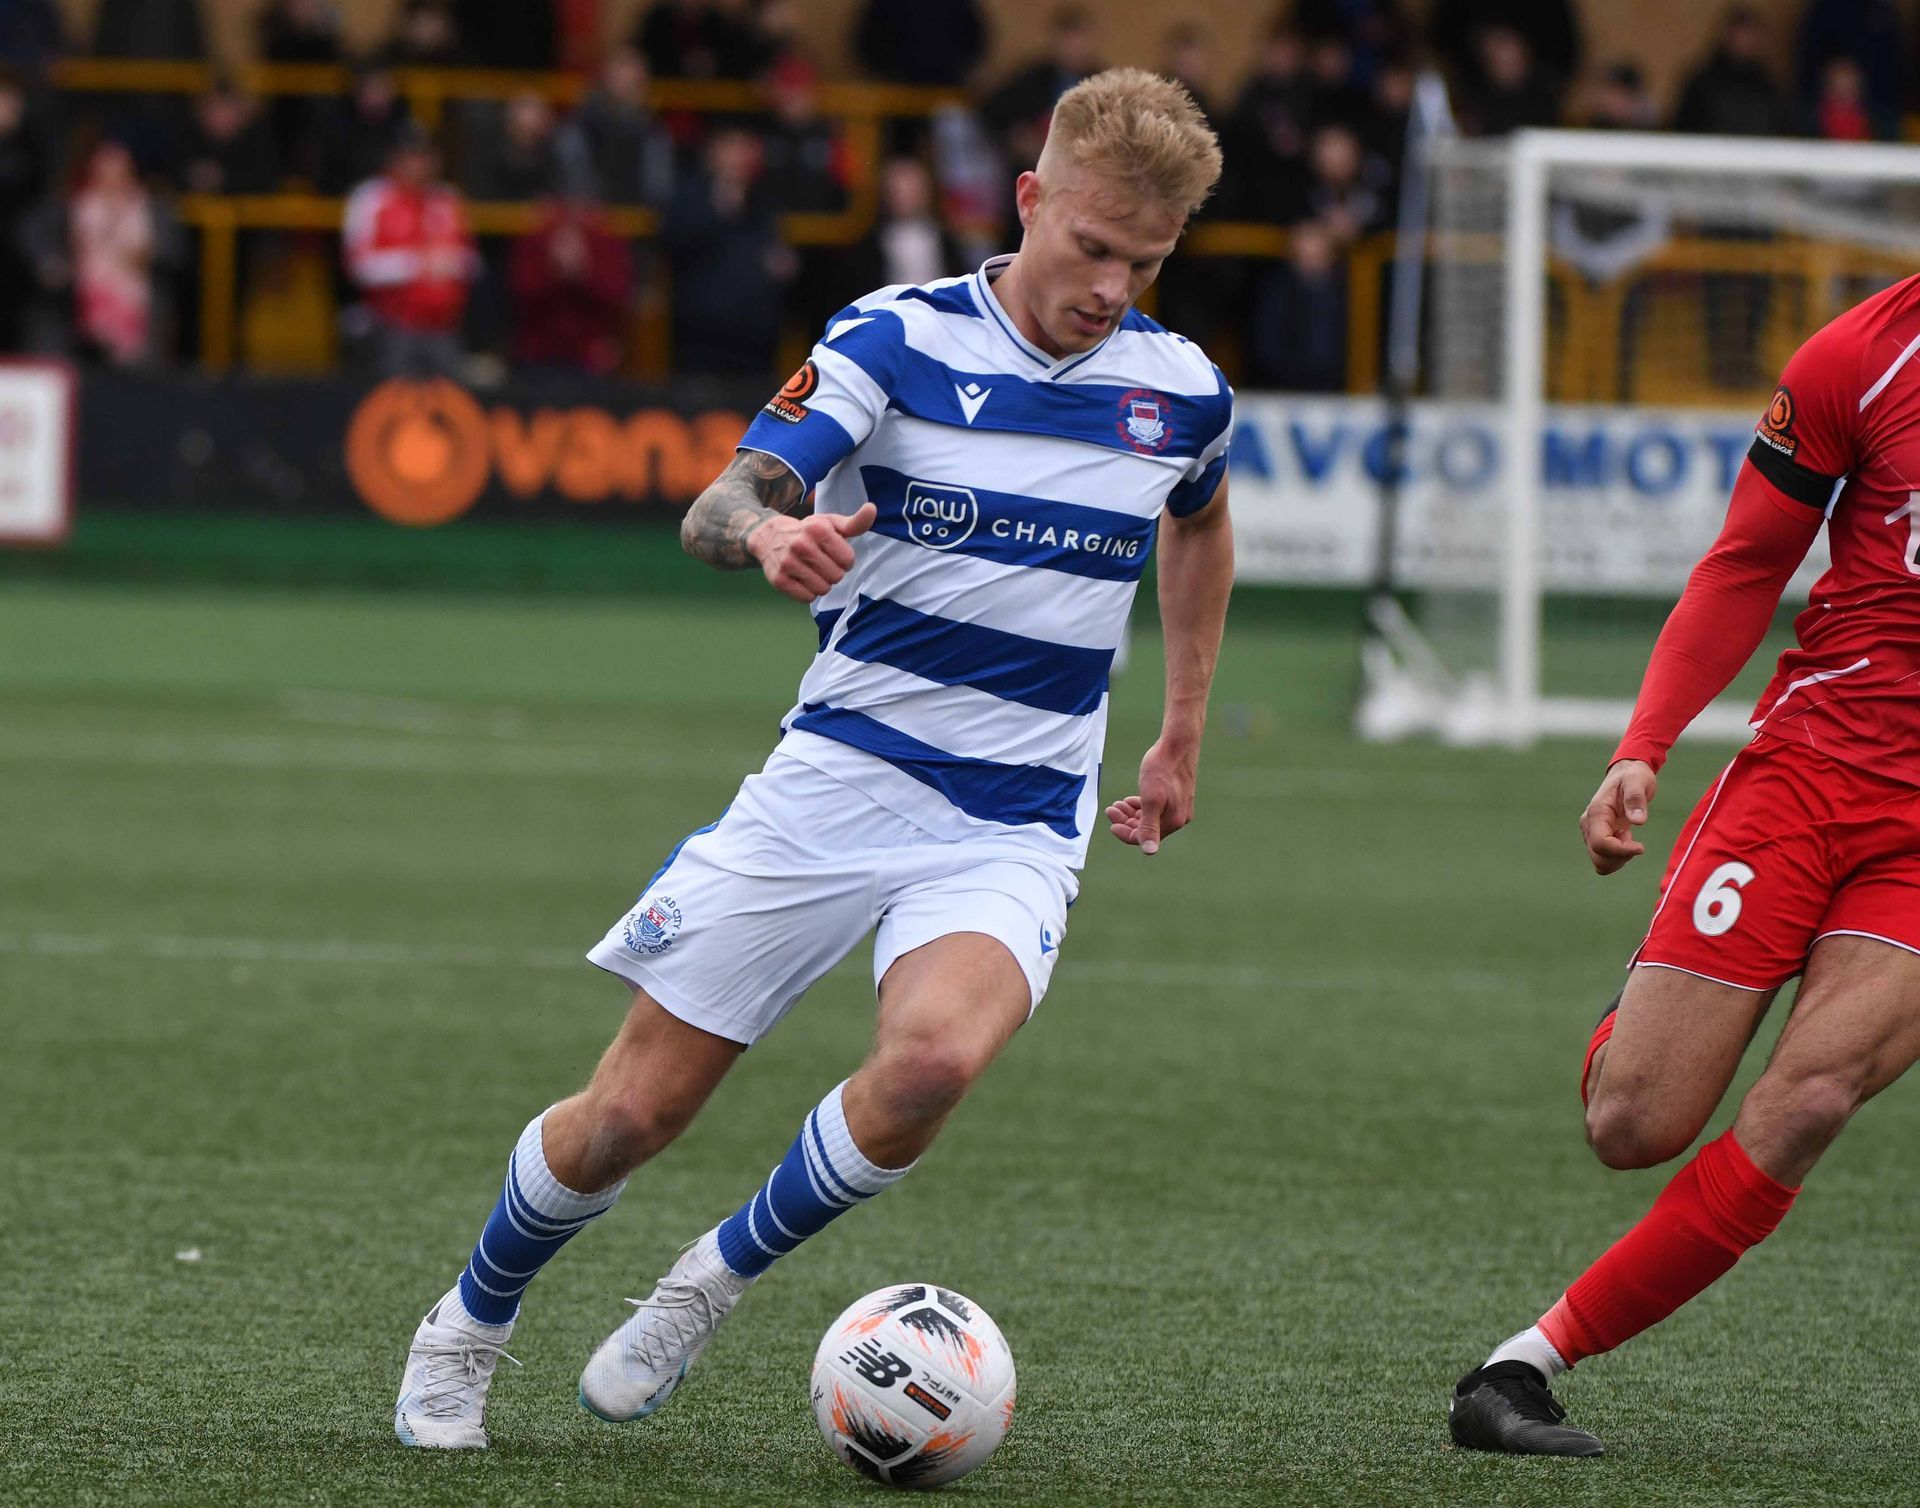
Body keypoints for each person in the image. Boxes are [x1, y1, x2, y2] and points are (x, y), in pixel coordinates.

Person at [394, 66, 1236, 1451]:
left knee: (932, 1065)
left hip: (1016, 815)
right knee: (626, 1117)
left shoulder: (1180, 390)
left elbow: (1198, 523)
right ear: (1029, 199)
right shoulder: (895, 339)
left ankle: (705, 1284)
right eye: (1094, 247)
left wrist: (1182, 724)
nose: (1112, 287)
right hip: (835, 784)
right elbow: (718, 502)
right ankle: (469, 1321)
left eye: (1144, 263)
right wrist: (771, 532)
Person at [1449, 275, 1920, 1455]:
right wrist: (1642, 745)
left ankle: (1523, 1364)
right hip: (1813, 769)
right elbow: (1748, 560)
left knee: (1813, 1095)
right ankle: (1645, 1003)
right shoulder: (1856, 360)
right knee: (1633, 1119)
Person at [342, 125, 475, 376]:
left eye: (424, 157)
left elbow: (471, 260)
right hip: (393, 323)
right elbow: (359, 267)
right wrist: (416, 263)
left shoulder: (446, 198)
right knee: (396, 391)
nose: (418, 165)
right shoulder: (371, 197)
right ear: (394, 159)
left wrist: (451, 262)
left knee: (454, 391)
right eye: (411, 157)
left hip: (445, 323)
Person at [508, 186, 633, 374]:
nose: (572, 216)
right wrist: (553, 270)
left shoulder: (605, 240)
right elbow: (521, 296)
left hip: (592, 354)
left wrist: (582, 273)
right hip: (538, 353)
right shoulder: (535, 238)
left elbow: (616, 298)